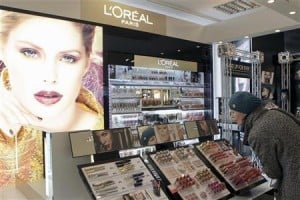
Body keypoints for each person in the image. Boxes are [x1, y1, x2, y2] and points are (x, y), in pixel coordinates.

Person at [0, 11, 104, 187]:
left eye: (68, 58)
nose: (50, 77)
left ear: (86, 63)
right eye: (30, 52)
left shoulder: (102, 129)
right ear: (2, 51)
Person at [228, 91, 300, 200]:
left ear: (244, 112)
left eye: (233, 112)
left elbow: (273, 172)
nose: (231, 116)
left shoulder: (257, 132)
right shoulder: (275, 113)